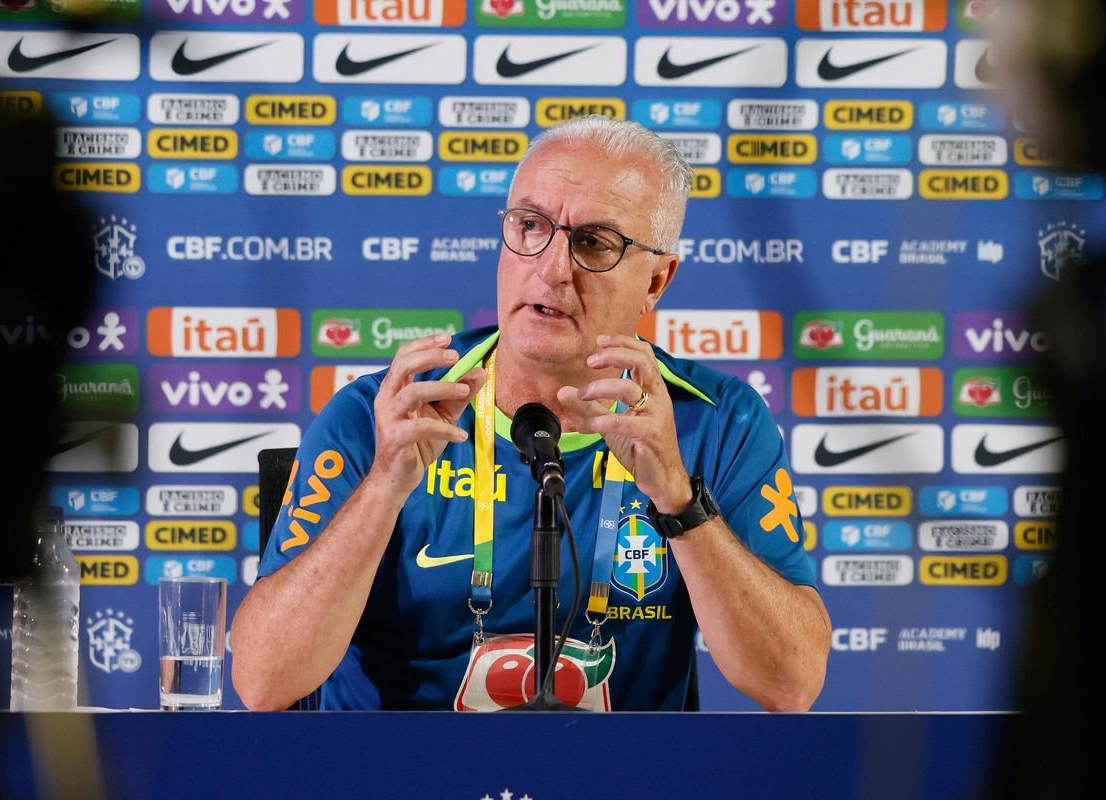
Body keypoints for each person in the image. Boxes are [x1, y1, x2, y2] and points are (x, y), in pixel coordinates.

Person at [232, 115, 829, 711]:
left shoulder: (718, 423)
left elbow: (791, 684)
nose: (552, 268)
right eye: (530, 226)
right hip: (400, 763)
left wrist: (678, 498)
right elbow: (263, 683)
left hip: (618, 765)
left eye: (594, 242)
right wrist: (384, 487)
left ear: (656, 281)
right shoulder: (385, 413)